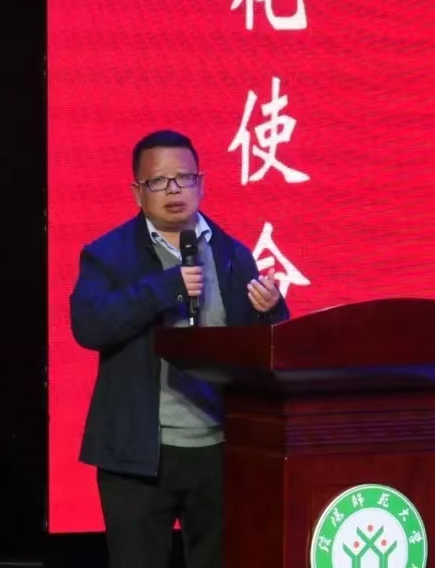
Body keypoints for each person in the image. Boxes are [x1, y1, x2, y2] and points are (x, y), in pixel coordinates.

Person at [69, 129, 290, 568]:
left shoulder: (233, 254)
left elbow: (256, 354)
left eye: (184, 178)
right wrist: (164, 287)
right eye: (158, 181)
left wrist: (271, 312)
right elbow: (89, 326)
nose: (173, 190)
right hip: (137, 456)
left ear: (201, 184)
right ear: (137, 192)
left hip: (220, 449)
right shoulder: (107, 255)